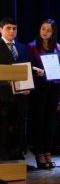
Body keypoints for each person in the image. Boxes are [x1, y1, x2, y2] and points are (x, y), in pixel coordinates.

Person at [27, 19, 60, 169]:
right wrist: (37, 72)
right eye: (43, 29)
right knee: (39, 120)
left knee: (50, 121)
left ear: (53, 32)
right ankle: (39, 152)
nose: (45, 32)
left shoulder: (57, 46)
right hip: (39, 87)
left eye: (48, 30)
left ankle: (48, 151)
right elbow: (28, 66)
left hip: (54, 87)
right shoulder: (32, 46)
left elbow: (59, 63)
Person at [0, 17, 30, 161]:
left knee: (18, 127)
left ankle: (16, 156)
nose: (12, 31)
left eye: (14, 28)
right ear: (1, 29)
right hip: (3, 96)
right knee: (4, 127)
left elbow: (25, 69)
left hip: (20, 95)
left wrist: (27, 86)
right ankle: (4, 158)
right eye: (8, 28)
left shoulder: (22, 47)